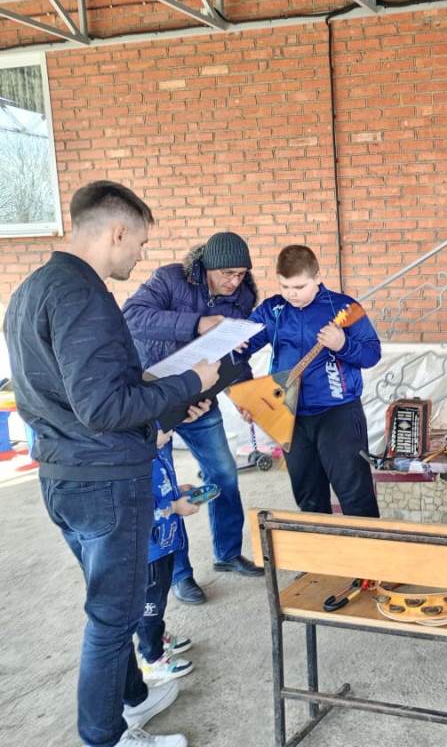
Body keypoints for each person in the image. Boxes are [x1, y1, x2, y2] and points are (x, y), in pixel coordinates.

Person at [3, 180, 219, 747]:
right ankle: (105, 737)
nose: (141, 256)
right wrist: (189, 381)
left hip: (64, 475)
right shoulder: (84, 297)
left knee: (110, 602)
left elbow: (79, 389)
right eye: (141, 243)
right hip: (105, 482)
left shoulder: (31, 290)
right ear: (117, 231)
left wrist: (167, 397)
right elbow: (103, 408)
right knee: (113, 617)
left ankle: (133, 698)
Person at [123, 231, 262, 605]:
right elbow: (132, 317)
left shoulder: (243, 297)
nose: (234, 282)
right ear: (207, 266)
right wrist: (199, 323)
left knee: (224, 474)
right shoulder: (170, 278)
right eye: (228, 273)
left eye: (241, 274)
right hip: (155, 399)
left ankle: (228, 553)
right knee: (164, 487)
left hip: (201, 399)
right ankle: (180, 575)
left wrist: (241, 394)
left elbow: (234, 354)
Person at [244, 245, 381, 515]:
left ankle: (367, 543)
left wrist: (343, 345)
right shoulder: (273, 310)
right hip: (289, 414)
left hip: (338, 412)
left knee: (356, 496)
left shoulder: (345, 307)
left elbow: (372, 353)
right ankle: (316, 543)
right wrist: (247, 395)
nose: (291, 294)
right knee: (309, 499)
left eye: (299, 286)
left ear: (317, 278)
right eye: (285, 286)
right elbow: (239, 349)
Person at [136, 426, 203, 684]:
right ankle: (151, 658)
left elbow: (160, 486)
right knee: (149, 605)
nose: (170, 432)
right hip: (149, 551)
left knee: (159, 597)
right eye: (161, 429)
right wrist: (174, 506)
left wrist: (178, 491)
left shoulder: (156, 454)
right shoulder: (134, 467)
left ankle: (157, 636)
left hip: (164, 544)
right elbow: (139, 511)